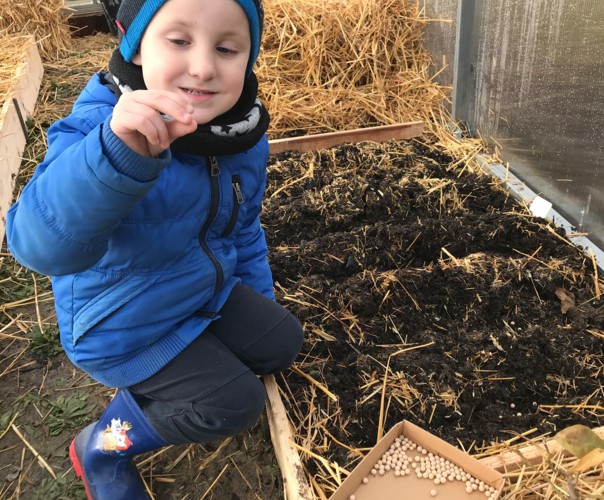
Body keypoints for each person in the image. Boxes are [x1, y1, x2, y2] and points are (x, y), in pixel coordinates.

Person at [6, 0, 304, 498]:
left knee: (281, 343)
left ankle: (188, 369)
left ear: (249, 57)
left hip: (200, 292)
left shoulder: (240, 137)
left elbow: (244, 231)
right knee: (235, 403)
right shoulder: (100, 127)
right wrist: (116, 154)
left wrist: (256, 299)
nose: (204, 66)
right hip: (122, 324)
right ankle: (102, 446)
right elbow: (37, 245)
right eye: (179, 40)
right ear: (137, 46)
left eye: (227, 47)